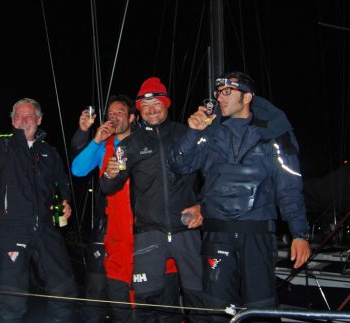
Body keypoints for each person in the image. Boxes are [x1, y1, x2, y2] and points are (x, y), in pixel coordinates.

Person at [169, 71, 311, 322]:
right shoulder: (208, 132)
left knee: (261, 310)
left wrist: (299, 233)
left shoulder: (274, 134)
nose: (219, 98)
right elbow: (180, 164)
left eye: (226, 92)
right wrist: (192, 132)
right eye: (217, 92)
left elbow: (288, 186)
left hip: (257, 234)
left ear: (247, 97)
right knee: (216, 311)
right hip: (217, 234)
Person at [0, 97, 78, 322]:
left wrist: (66, 202)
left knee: (63, 289)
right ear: (12, 121)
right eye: (18, 116)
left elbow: (63, 185)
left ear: (39, 119)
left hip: (46, 228)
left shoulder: (50, 153)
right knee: (11, 300)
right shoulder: (3, 146)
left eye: (29, 116)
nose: (24, 120)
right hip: (12, 230)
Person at [100, 77, 205, 323]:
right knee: (146, 304)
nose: (151, 110)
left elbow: (210, 174)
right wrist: (109, 173)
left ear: (166, 104)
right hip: (148, 233)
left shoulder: (186, 134)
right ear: (139, 111)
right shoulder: (129, 145)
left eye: (156, 103)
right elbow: (108, 186)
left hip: (187, 231)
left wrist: (202, 205)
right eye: (145, 106)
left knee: (199, 301)